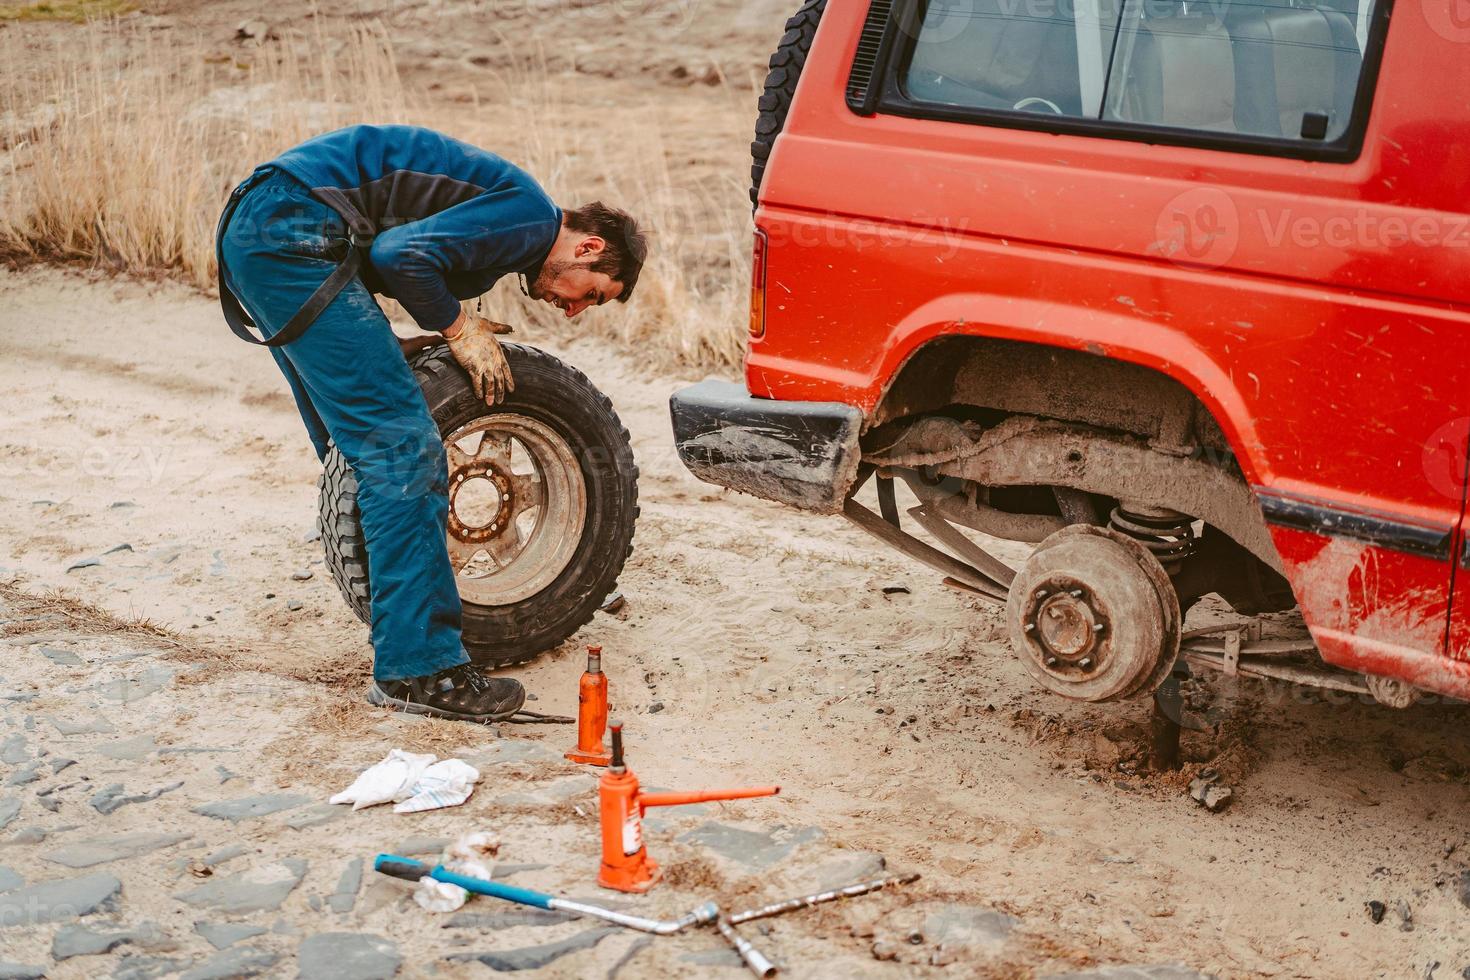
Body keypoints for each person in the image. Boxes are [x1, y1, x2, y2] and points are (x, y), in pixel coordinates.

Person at [215, 124, 646, 723]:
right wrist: (457, 327)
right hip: (292, 230)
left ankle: (414, 621)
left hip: (268, 228)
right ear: (588, 249)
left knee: (363, 448)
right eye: (592, 295)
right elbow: (400, 256)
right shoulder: (530, 215)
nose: (574, 310)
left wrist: (382, 338)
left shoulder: (511, 219)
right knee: (405, 455)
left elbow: (391, 248)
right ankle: (420, 673)